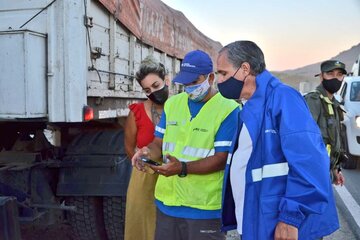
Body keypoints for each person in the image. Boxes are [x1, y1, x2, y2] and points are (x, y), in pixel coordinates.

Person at [216, 41, 339, 240]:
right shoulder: (251, 105)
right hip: (257, 219)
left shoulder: (283, 98)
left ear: (245, 69)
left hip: (281, 225)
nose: (219, 80)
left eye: (223, 73)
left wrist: (291, 218)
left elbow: (311, 162)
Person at [131, 50, 240, 240]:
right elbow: (159, 143)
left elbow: (222, 159)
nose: (189, 88)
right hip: (167, 204)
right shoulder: (173, 104)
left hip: (204, 209)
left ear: (211, 77)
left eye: (195, 82)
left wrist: (181, 168)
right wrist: (145, 152)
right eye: (186, 83)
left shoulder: (228, 109)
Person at [124, 56, 169, 240]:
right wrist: (144, 165)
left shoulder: (181, 107)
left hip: (173, 176)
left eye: (156, 85)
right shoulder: (137, 112)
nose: (153, 92)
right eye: (147, 90)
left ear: (166, 80)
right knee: (141, 228)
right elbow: (129, 148)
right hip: (144, 179)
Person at [305, 60, 348, 186]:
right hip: (314, 172)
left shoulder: (334, 104)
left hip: (326, 171)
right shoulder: (314, 100)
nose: (335, 78)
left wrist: (335, 169)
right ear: (322, 76)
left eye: (339, 74)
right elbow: (306, 139)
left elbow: (333, 140)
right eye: (330, 74)